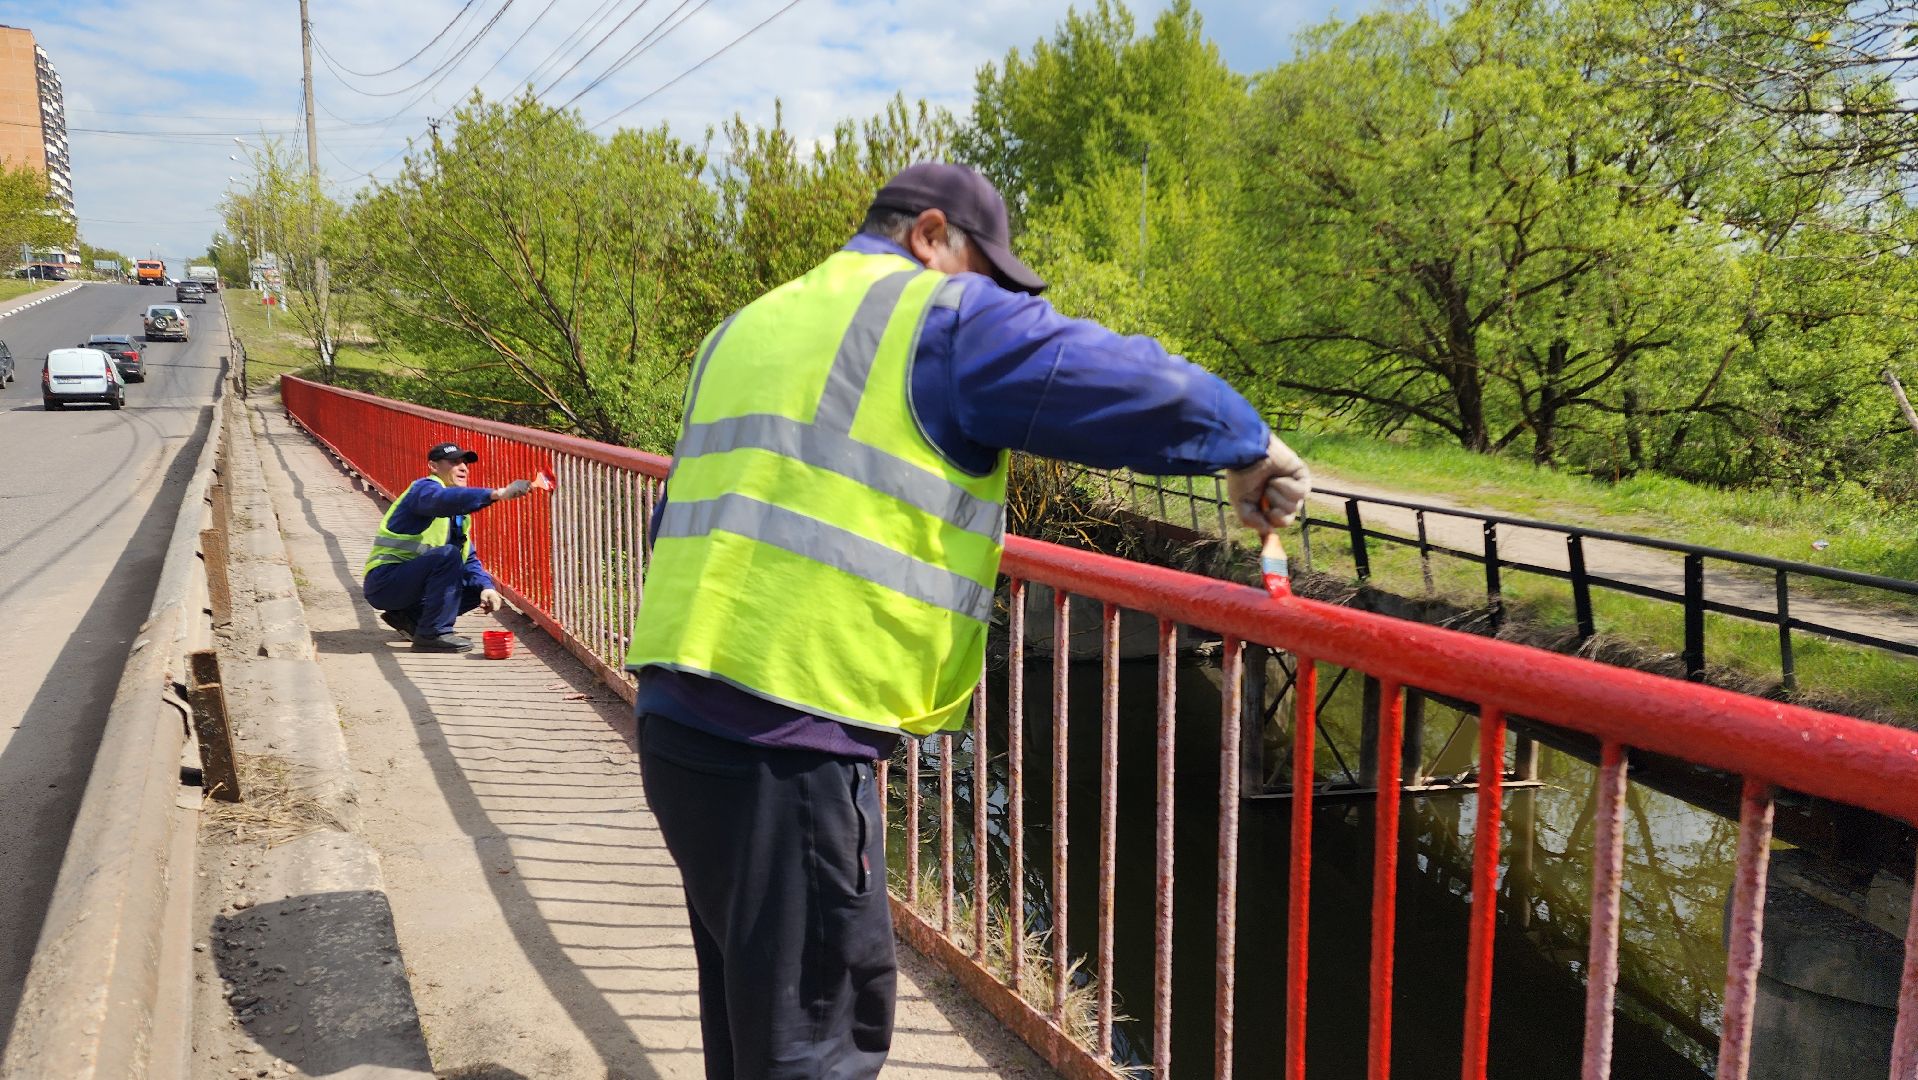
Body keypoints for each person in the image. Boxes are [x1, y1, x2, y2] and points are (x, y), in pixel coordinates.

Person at [623, 162, 1310, 1079]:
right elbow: (1114, 377)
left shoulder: (748, 325)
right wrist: (1248, 443)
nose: (994, 296)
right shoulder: (929, 314)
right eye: (990, 271)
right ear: (933, 235)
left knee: (753, 1022)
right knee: (817, 1043)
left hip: (679, 719)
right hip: (788, 740)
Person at [363, 441, 532, 652]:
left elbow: (467, 559)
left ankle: (411, 619)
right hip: (385, 582)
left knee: (473, 586)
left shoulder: (459, 515)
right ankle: (432, 634)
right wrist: (495, 494)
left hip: (409, 585)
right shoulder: (423, 489)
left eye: (465, 463)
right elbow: (440, 500)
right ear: (433, 467)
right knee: (447, 556)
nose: (463, 468)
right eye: (454, 462)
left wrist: (486, 587)